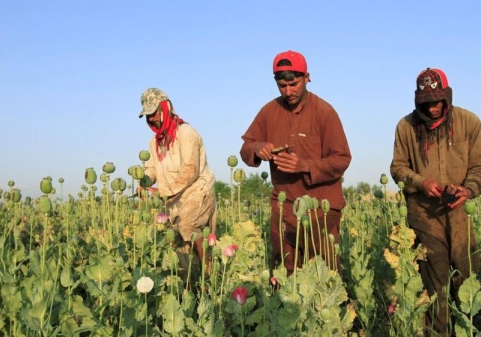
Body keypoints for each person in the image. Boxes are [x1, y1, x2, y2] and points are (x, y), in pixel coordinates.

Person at [390, 68, 481, 337]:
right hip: (425, 217)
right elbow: (398, 167)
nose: (432, 109)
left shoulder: (469, 122)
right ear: (417, 101)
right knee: (435, 288)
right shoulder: (406, 127)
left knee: (467, 284)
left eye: (437, 102)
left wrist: (468, 190)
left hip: (460, 217)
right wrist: (422, 183)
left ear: (447, 98)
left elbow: (479, 166)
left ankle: (468, 332)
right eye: (426, 103)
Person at [240, 50, 351, 275]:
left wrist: (305, 166)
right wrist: (257, 147)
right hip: (284, 208)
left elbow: (342, 158)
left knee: (323, 278)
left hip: (320, 210)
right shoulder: (269, 111)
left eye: (294, 84)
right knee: (284, 275)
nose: (288, 91)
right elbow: (245, 148)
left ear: (307, 77)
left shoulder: (324, 112)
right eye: (282, 85)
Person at [138, 87, 217, 279]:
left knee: (188, 227)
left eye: (154, 113)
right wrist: (144, 181)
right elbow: (151, 168)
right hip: (172, 197)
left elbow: (190, 171)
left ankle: (210, 274)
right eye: (147, 116)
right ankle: (188, 280)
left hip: (196, 190)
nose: (151, 119)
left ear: (165, 108)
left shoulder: (186, 133)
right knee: (174, 240)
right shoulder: (154, 142)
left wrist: (161, 191)